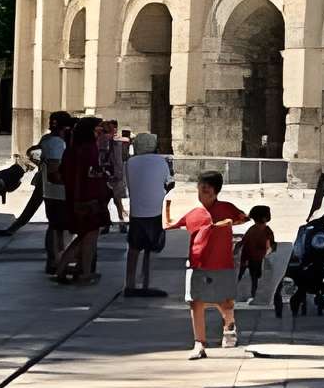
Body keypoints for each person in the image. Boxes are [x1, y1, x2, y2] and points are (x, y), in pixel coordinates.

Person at [169, 171, 242, 359]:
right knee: (196, 302)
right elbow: (171, 224)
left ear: (216, 192)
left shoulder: (226, 208)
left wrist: (228, 225)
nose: (202, 195)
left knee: (224, 301)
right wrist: (166, 209)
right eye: (200, 190)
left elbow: (243, 217)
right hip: (197, 262)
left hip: (222, 263)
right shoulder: (194, 213)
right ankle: (199, 344)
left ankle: (229, 323)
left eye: (207, 191)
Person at [58, 117, 110, 283]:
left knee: (84, 236)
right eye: (97, 129)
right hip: (89, 198)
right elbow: (91, 174)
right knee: (88, 238)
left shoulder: (72, 149)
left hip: (75, 197)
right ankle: (82, 271)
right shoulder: (89, 149)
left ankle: (69, 268)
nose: (100, 132)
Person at [122, 133, 174, 297]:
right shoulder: (161, 161)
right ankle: (146, 282)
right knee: (151, 248)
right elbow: (168, 182)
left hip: (137, 210)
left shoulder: (130, 162)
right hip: (156, 211)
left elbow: (127, 183)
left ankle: (129, 283)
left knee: (134, 247)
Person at [35, 113, 74, 278]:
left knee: (56, 226)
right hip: (57, 192)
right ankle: (55, 261)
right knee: (57, 227)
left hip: (51, 191)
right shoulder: (57, 143)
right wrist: (69, 182)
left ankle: (55, 260)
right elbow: (54, 170)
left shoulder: (47, 139)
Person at [238, 205, 277, 305]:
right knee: (257, 279)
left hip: (249, 257)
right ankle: (255, 297)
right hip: (258, 258)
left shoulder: (252, 229)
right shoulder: (267, 230)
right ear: (265, 218)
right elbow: (271, 246)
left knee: (251, 278)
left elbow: (243, 242)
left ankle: (252, 296)